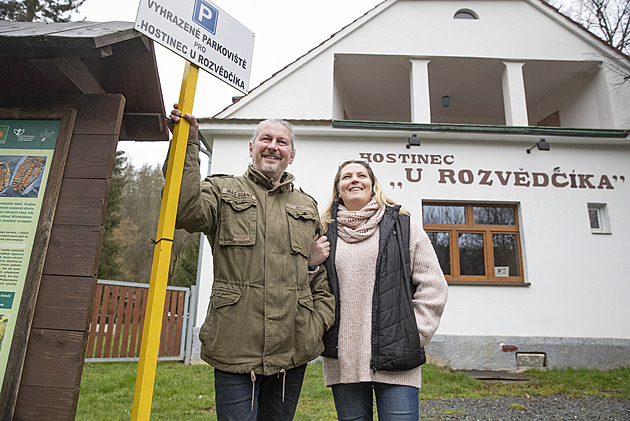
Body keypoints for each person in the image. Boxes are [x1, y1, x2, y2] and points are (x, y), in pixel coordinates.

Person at [165, 105, 335, 421]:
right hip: (235, 345)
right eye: (265, 139)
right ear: (252, 148)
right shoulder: (221, 190)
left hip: (292, 348)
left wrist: (317, 323)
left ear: (291, 155)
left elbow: (319, 274)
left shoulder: (306, 206)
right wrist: (187, 145)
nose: (273, 146)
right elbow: (183, 212)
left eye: (282, 142)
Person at [310, 159, 448, 421]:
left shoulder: (404, 226)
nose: (354, 180)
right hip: (343, 359)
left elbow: (434, 286)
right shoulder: (323, 232)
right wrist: (310, 263)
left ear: (373, 186)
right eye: (346, 176)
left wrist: (413, 335)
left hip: (397, 357)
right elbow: (309, 289)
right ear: (337, 190)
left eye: (361, 175)